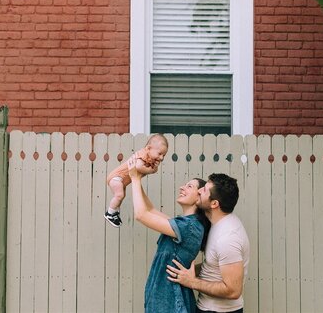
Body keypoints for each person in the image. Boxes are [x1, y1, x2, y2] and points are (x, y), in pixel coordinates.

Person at [128, 157, 211, 313]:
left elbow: (141, 215)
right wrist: (138, 177)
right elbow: (150, 210)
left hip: (171, 303)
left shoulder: (190, 227)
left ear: (199, 197)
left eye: (189, 186)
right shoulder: (184, 224)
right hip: (164, 300)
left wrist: (134, 178)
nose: (182, 187)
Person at [166, 173, 250, 313]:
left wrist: (191, 282)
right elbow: (213, 268)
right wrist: (184, 271)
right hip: (207, 308)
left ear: (214, 203)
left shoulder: (228, 238)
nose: (199, 190)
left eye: (204, 190)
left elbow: (233, 291)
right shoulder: (216, 223)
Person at [104, 134, 168, 227]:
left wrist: (155, 167)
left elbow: (153, 169)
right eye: (159, 154)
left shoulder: (150, 157)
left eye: (164, 155)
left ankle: (114, 213)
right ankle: (110, 213)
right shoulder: (143, 154)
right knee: (119, 195)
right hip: (117, 177)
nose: (161, 157)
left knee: (121, 196)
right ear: (148, 148)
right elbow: (138, 167)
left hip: (122, 181)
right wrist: (151, 170)